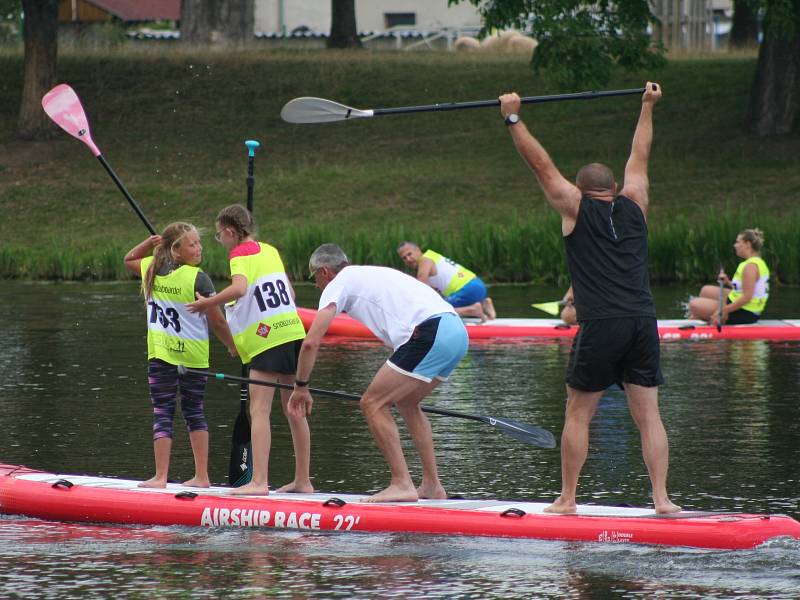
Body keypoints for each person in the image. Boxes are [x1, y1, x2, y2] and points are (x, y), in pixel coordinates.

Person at [499, 82, 680, 515]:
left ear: (579, 189)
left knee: (577, 413)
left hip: (601, 324)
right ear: (614, 186)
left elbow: (541, 166)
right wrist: (648, 106)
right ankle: (662, 500)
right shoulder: (635, 201)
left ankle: (567, 499)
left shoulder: (574, 207)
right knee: (649, 416)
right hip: (642, 321)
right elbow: (641, 155)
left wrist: (513, 118)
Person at [288, 243, 469, 503]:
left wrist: (301, 386)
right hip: (457, 333)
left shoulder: (339, 283)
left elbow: (310, 342)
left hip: (431, 332)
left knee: (372, 403)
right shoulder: (369, 273)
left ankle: (401, 484)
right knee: (407, 403)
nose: (316, 284)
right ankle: (432, 486)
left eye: (314, 277)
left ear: (325, 272)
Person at [186, 204, 312, 496]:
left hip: (267, 339)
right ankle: (303, 481)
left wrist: (208, 302)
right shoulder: (269, 250)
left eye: (219, 236)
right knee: (294, 410)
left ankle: (259, 483)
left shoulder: (238, 254)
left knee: (259, 410)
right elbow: (290, 294)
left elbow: (240, 288)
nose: (220, 241)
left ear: (230, 232)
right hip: (293, 331)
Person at [124, 222, 237, 489]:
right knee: (194, 412)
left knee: (163, 412)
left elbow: (129, 258)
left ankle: (161, 477)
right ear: (176, 250)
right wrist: (233, 346)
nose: (199, 249)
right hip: (194, 357)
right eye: (192, 244)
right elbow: (218, 322)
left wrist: (149, 244)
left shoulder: (151, 269)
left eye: (199, 243)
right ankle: (201, 476)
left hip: (161, 356)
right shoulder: (198, 278)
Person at [397, 242, 496, 321]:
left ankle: (472, 309)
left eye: (409, 254)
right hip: (478, 285)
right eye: (404, 258)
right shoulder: (432, 256)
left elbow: (419, 287)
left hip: (468, 289)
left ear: (417, 250)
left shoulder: (424, 261)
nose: (408, 259)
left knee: (437, 310)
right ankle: (485, 305)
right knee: (439, 303)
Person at [688, 229, 769, 326]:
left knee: (694, 305)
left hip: (746, 312)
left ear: (747, 244)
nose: (735, 245)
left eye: (738, 242)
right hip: (743, 304)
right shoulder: (755, 262)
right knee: (705, 290)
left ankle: (708, 319)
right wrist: (728, 282)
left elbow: (747, 297)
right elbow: (745, 288)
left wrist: (723, 311)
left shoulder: (750, 266)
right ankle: (703, 316)